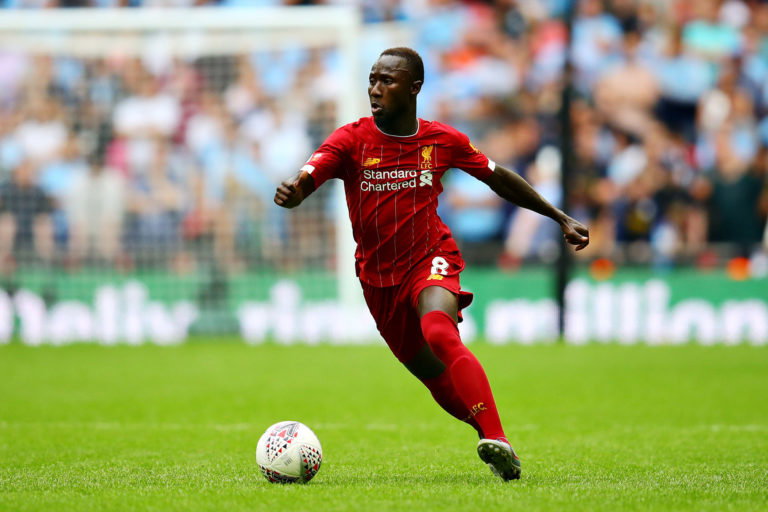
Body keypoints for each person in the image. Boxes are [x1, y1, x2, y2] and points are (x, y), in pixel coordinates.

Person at [273, 47, 589, 482]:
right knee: (432, 375)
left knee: (439, 330)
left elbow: (498, 177)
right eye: (372, 79)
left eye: (387, 80)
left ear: (415, 87)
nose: (375, 89)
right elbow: (310, 173)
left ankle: (498, 437)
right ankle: (493, 440)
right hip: (378, 280)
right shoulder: (351, 140)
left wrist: (560, 217)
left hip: (430, 257)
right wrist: (296, 187)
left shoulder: (442, 140)